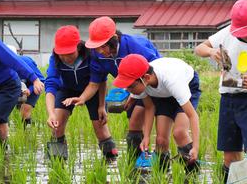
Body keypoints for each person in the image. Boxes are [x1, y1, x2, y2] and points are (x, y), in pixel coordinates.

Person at [194, 0, 247, 183]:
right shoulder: (228, 33)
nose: (243, 36)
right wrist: (211, 52)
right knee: (229, 156)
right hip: (227, 100)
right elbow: (200, 48)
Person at [62, 16, 161, 158]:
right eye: (97, 47)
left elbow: (155, 70)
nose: (101, 51)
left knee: (145, 119)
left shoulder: (133, 46)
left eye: (104, 46)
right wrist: (82, 98)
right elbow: (95, 83)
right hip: (132, 88)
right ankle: (136, 164)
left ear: (115, 39)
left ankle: (157, 156)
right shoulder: (97, 55)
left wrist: (138, 95)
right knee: (133, 122)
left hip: (149, 84)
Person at [113, 54, 201, 173]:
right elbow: (149, 107)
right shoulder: (142, 84)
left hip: (186, 85)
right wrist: (147, 137)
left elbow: (192, 115)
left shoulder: (173, 81)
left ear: (147, 78)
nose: (129, 92)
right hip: (163, 94)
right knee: (160, 140)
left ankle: (192, 174)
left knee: (179, 132)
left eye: (131, 87)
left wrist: (196, 147)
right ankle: (162, 174)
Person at [45, 25, 117, 161]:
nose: (66, 58)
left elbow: (101, 80)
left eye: (70, 54)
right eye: (62, 54)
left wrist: (102, 106)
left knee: (101, 128)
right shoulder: (55, 59)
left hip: (92, 89)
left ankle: (111, 163)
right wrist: (51, 114)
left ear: (78, 47)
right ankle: (57, 165)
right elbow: (50, 86)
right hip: (66, 89)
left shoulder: (92, 54)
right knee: (57, 126)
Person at [0, 36, 44, 148]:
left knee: (24, 110)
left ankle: (27, 132)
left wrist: (34, 79)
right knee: (1, 122)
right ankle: (3, 156)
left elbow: (14, 60)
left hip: (8, 86)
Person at [6, 45, 45, 128]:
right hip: (15, 88)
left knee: (25, 110)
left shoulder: (26, 62)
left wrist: (29, 90)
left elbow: (41, 80)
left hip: (31, 86)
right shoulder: (1, 66)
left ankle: (27, 134)